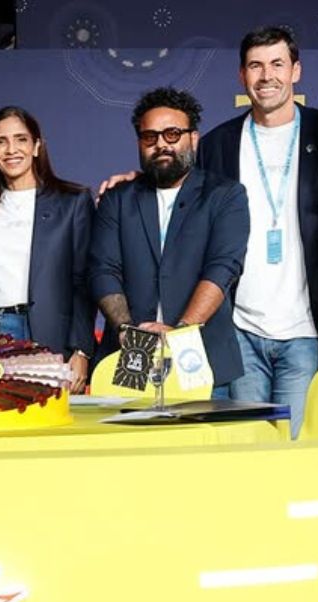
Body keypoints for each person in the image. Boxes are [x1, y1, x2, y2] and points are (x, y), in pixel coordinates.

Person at [196, 27, 318, 436]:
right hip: (241, 330)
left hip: (304, 330)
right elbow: (182, 200)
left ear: (296, 71)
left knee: (293, 449)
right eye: (255, 65)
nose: (266, 75)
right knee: (247, 448)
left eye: (277, 64)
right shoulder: (217, 144)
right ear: (242, 75)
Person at [89, 87, 250, 392]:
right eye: (150, 137)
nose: (161, 144)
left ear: (193, 138)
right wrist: (128, 330)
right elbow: (102, 270)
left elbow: (222, 268)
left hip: (199, 352)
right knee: (133, 424)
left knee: (201, 425)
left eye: (172, 134)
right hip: (131, 349)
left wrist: (180, 334)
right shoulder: (117, 198)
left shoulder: (225, 195)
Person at [0, 106, 93, 392]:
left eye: (21, 139)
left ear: (37, 146)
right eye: (1, 142)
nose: (11, 150)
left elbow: (84, 282)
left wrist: (81, 350)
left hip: (49, 333)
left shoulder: (72, 202)